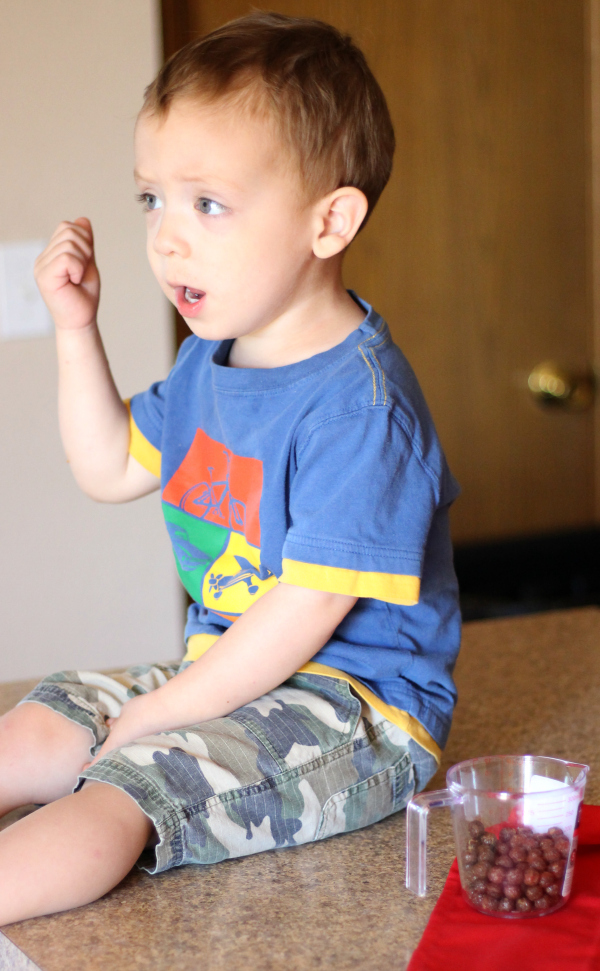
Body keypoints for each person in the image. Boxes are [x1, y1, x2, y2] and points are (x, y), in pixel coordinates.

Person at [0, 12, 460, 924]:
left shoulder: (361, 407)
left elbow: (301, 616)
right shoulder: (211, 362)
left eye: (207, 203)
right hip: (229, 664)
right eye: (151, 200)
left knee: (131, 780)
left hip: (356, 711)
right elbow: (106, 467)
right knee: (39, 725)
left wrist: (157, 715)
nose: (167, 239)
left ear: (329, 221)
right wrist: (75, 328)